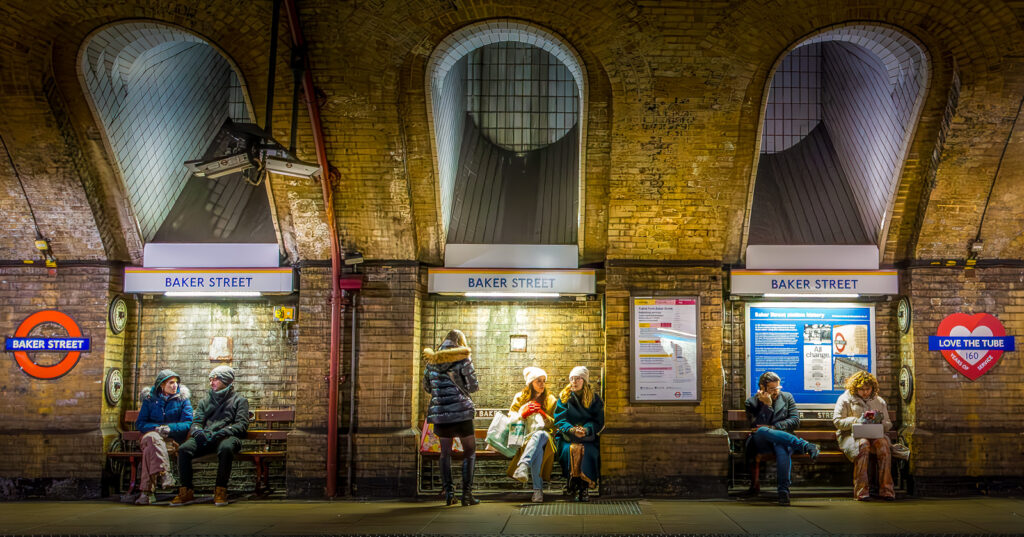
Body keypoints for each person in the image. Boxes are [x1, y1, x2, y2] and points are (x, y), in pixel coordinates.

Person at [170, 365, 249, 507]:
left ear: (226, 381)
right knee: (184, 449)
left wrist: (222, 432)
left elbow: (241, 425)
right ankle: (186, 490)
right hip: (206, 437)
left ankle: (221, 489)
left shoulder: (239, 401)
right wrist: (197, 432)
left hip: (227, 437)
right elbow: (197, 422)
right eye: (210, 379)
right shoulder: (205, 401)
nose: (211, 383)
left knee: (226, 448)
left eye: (215, 379)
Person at [744, 371, 820, 505]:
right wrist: (767, 406)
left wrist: (774, 427)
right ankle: (805, 445)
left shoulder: (787, 397)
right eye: (772, 389)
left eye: (777, 388)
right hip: (762, 442)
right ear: (762, 387)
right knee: (762, 430)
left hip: (784, 440)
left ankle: (783, 492)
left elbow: (795, 421)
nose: (776, 392)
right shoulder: (751, 402)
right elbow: (756, 426)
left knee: (781, 448)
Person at [422, 329, 480, 506]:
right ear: (460, 342)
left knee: (444, 453)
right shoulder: (463, 359)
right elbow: (473, 387)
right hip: (461, 413)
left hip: (441, 415)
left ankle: (449, 494)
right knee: (469, 452)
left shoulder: (432, 361)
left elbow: (427, 387)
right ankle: (467, 495)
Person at [832, 371, 894, 501]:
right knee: (863, 445)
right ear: (855, 388)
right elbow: (837, 421)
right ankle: (861, 491)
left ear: (872, 388)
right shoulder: (844, 399)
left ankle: (886, 490)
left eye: (867, 389)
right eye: (861, 389)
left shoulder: (879, 401)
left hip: (875, 434)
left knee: (883, 446)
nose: (865, 392)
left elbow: (888, 423)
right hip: (850, 435)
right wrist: (856, 420)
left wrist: (878, 422)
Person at [134, 369, 192, 505]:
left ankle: (146, 493)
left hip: (171, 441)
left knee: (149, 449)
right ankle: (165, 473)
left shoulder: (182, 400)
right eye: (171, 383)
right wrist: (156, 428)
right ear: (161, 385)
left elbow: (188, 423)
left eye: (176, 383)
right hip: (151, 437)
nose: (175, 386)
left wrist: (169, 428)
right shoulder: (150, 400)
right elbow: (140, 423)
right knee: (152, 438)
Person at [507, 366, 557, 503]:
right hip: (525, 438)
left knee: (539, 434)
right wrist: (523, 414)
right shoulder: (520, 398)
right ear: (530, 383)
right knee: (537, 451)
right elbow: (511, 418)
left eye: (543, 381)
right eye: (538, 381)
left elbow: (555, 424)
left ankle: (523, 465)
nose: (542, 384)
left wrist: (542, 413)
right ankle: (538, 491)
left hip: (546, 437)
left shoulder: (550, 399)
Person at [553, 366, 604, 502]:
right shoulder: (564, 398)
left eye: (578, 379)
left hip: (587, 437)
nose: (574, 382)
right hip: (567, 437)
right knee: (568, 451)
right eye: (572, 379)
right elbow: (560, 419)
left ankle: (584, 486)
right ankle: (573, 483)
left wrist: (586, 430)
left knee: (589, 451)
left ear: (585, 381)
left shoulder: (594, 399)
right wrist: (572, 429)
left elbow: (597, 420)